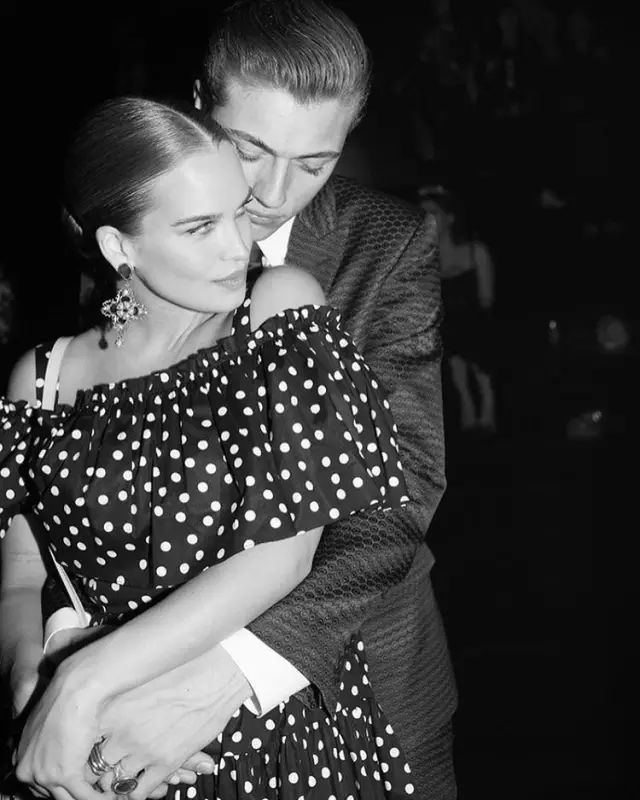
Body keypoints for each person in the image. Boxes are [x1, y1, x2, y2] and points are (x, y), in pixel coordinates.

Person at [15, 1, 458, 796]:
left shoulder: (385, 245)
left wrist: (225, 673)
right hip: (120, 709)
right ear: (199, 104)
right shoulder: (132, 235)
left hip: (351, 687)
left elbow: (399, 495)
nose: (273, 193)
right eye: (251, 149)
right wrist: (58, 654)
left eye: (315, 162)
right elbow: (67, 495)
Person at [419, 186, 497, 435]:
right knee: (452, 358)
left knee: (475, 352)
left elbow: (486, 297)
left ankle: (488, 409)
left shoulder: (476, 251)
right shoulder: (424, 257)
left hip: (475, 323)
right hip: (446, 327)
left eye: (434, 213)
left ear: (450, 218)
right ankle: (467, 409)